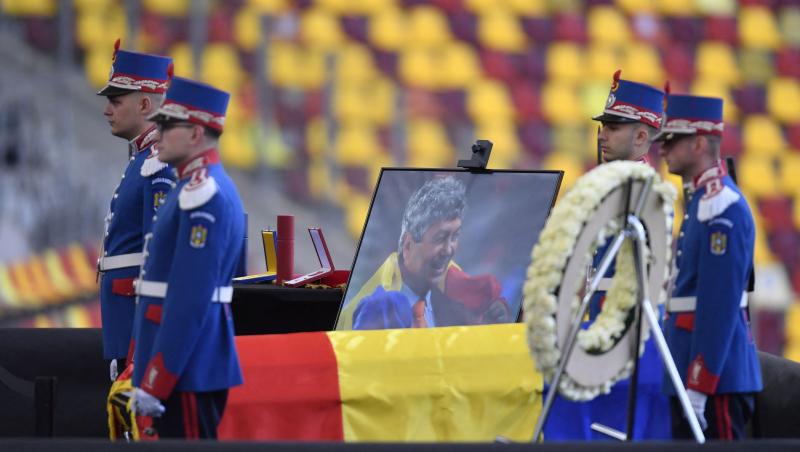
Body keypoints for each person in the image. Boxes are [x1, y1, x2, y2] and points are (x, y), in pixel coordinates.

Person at [129, 77, 245, 439]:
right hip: (180, 363)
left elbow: (189, 299)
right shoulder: (189, 186)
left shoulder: (203, 194)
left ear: (195, 134)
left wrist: (157, 379)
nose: (156, 131)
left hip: (187, 367)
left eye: (167, 124)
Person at [657, 94, 762, 440]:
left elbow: (718, 303)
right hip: (692, 370)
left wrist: (700, 384)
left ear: (699, 142)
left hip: (714, 379)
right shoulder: (703, 200)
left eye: (673, 141)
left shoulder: (720, 206)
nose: (663, 149)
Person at [96, 40, 176, 381]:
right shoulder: (142, 160)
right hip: (125, 328)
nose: (107, 110)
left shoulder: (157, 164)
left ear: (145, 103)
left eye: (116, 101)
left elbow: (157, 263)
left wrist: (142, 347)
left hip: (136, 334)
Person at [342, 176, 510, 330]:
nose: (449, 249)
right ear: (408, 245)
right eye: (440, 238)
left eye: (454, 237)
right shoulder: (377, 309)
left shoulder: (452, 296)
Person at [588, 70, 665, 320]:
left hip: (627, 328)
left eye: (612, 128)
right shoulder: (612, 184)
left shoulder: (646, 193)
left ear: (641, 136)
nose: (601, 135)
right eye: (602, 127)